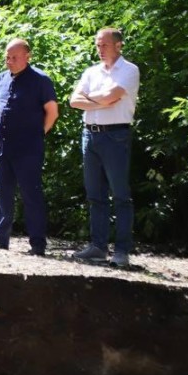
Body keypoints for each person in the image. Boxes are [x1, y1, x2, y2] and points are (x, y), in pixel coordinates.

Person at [0, 38, 59, 256]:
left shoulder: (40, 80)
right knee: (4, 193)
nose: (9, 61)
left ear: (27, 56)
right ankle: (0, 238)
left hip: (29, 148)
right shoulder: (1, 78)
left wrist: (38, 135)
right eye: (7, 57)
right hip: (3, 147)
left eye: (14, 57)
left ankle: (37, 244)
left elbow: (52, 112)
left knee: (31, 195)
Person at [69, 28, 140, 267]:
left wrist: (92, 100)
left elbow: (113, 95)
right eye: (98, 45)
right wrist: (103, 100)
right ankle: (98, 247)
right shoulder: (91, 71)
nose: (100, 49)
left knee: (120, 195)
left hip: (116, 136)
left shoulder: (129, 70)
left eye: (104, 45)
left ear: (118, 45)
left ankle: (122, 251)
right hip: (90, 136)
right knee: (95, 194)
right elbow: (73, 101)